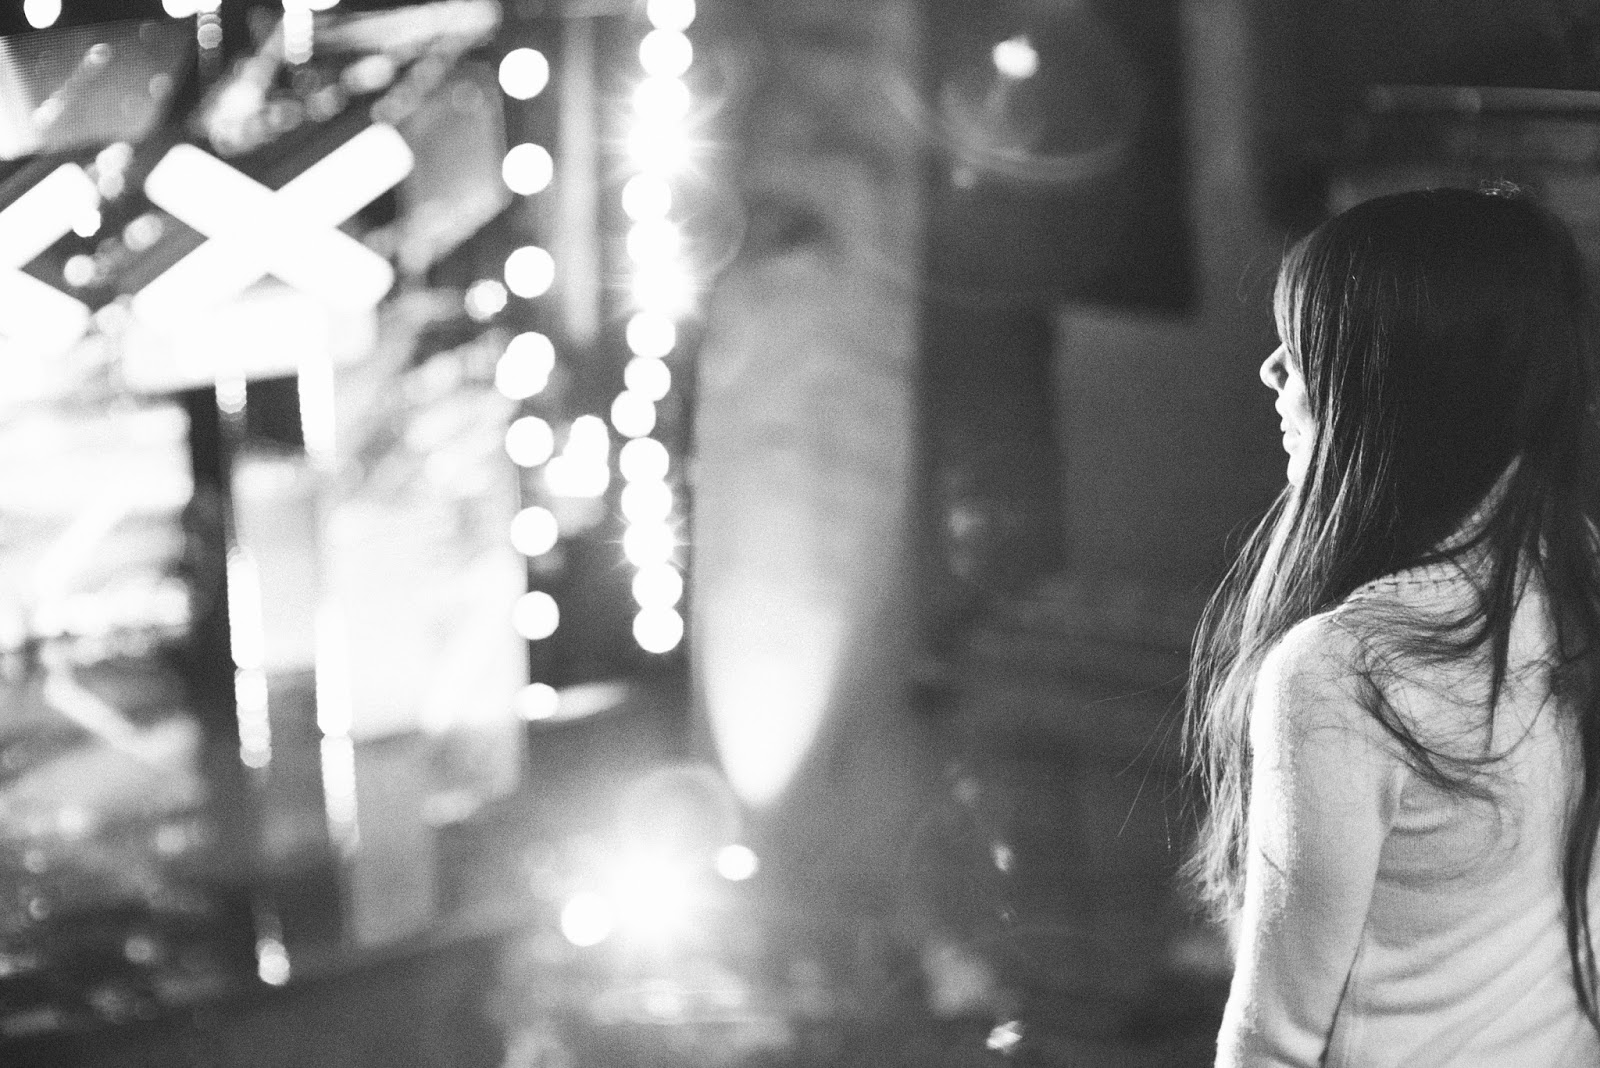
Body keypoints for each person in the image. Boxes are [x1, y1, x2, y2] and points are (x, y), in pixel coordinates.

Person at [1184, 186, 1600, 1067]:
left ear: (1402, 389)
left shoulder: (1342, 674)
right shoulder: (1578, 580)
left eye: (1308, 346)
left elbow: (1274, 1042)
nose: (1272, 372)